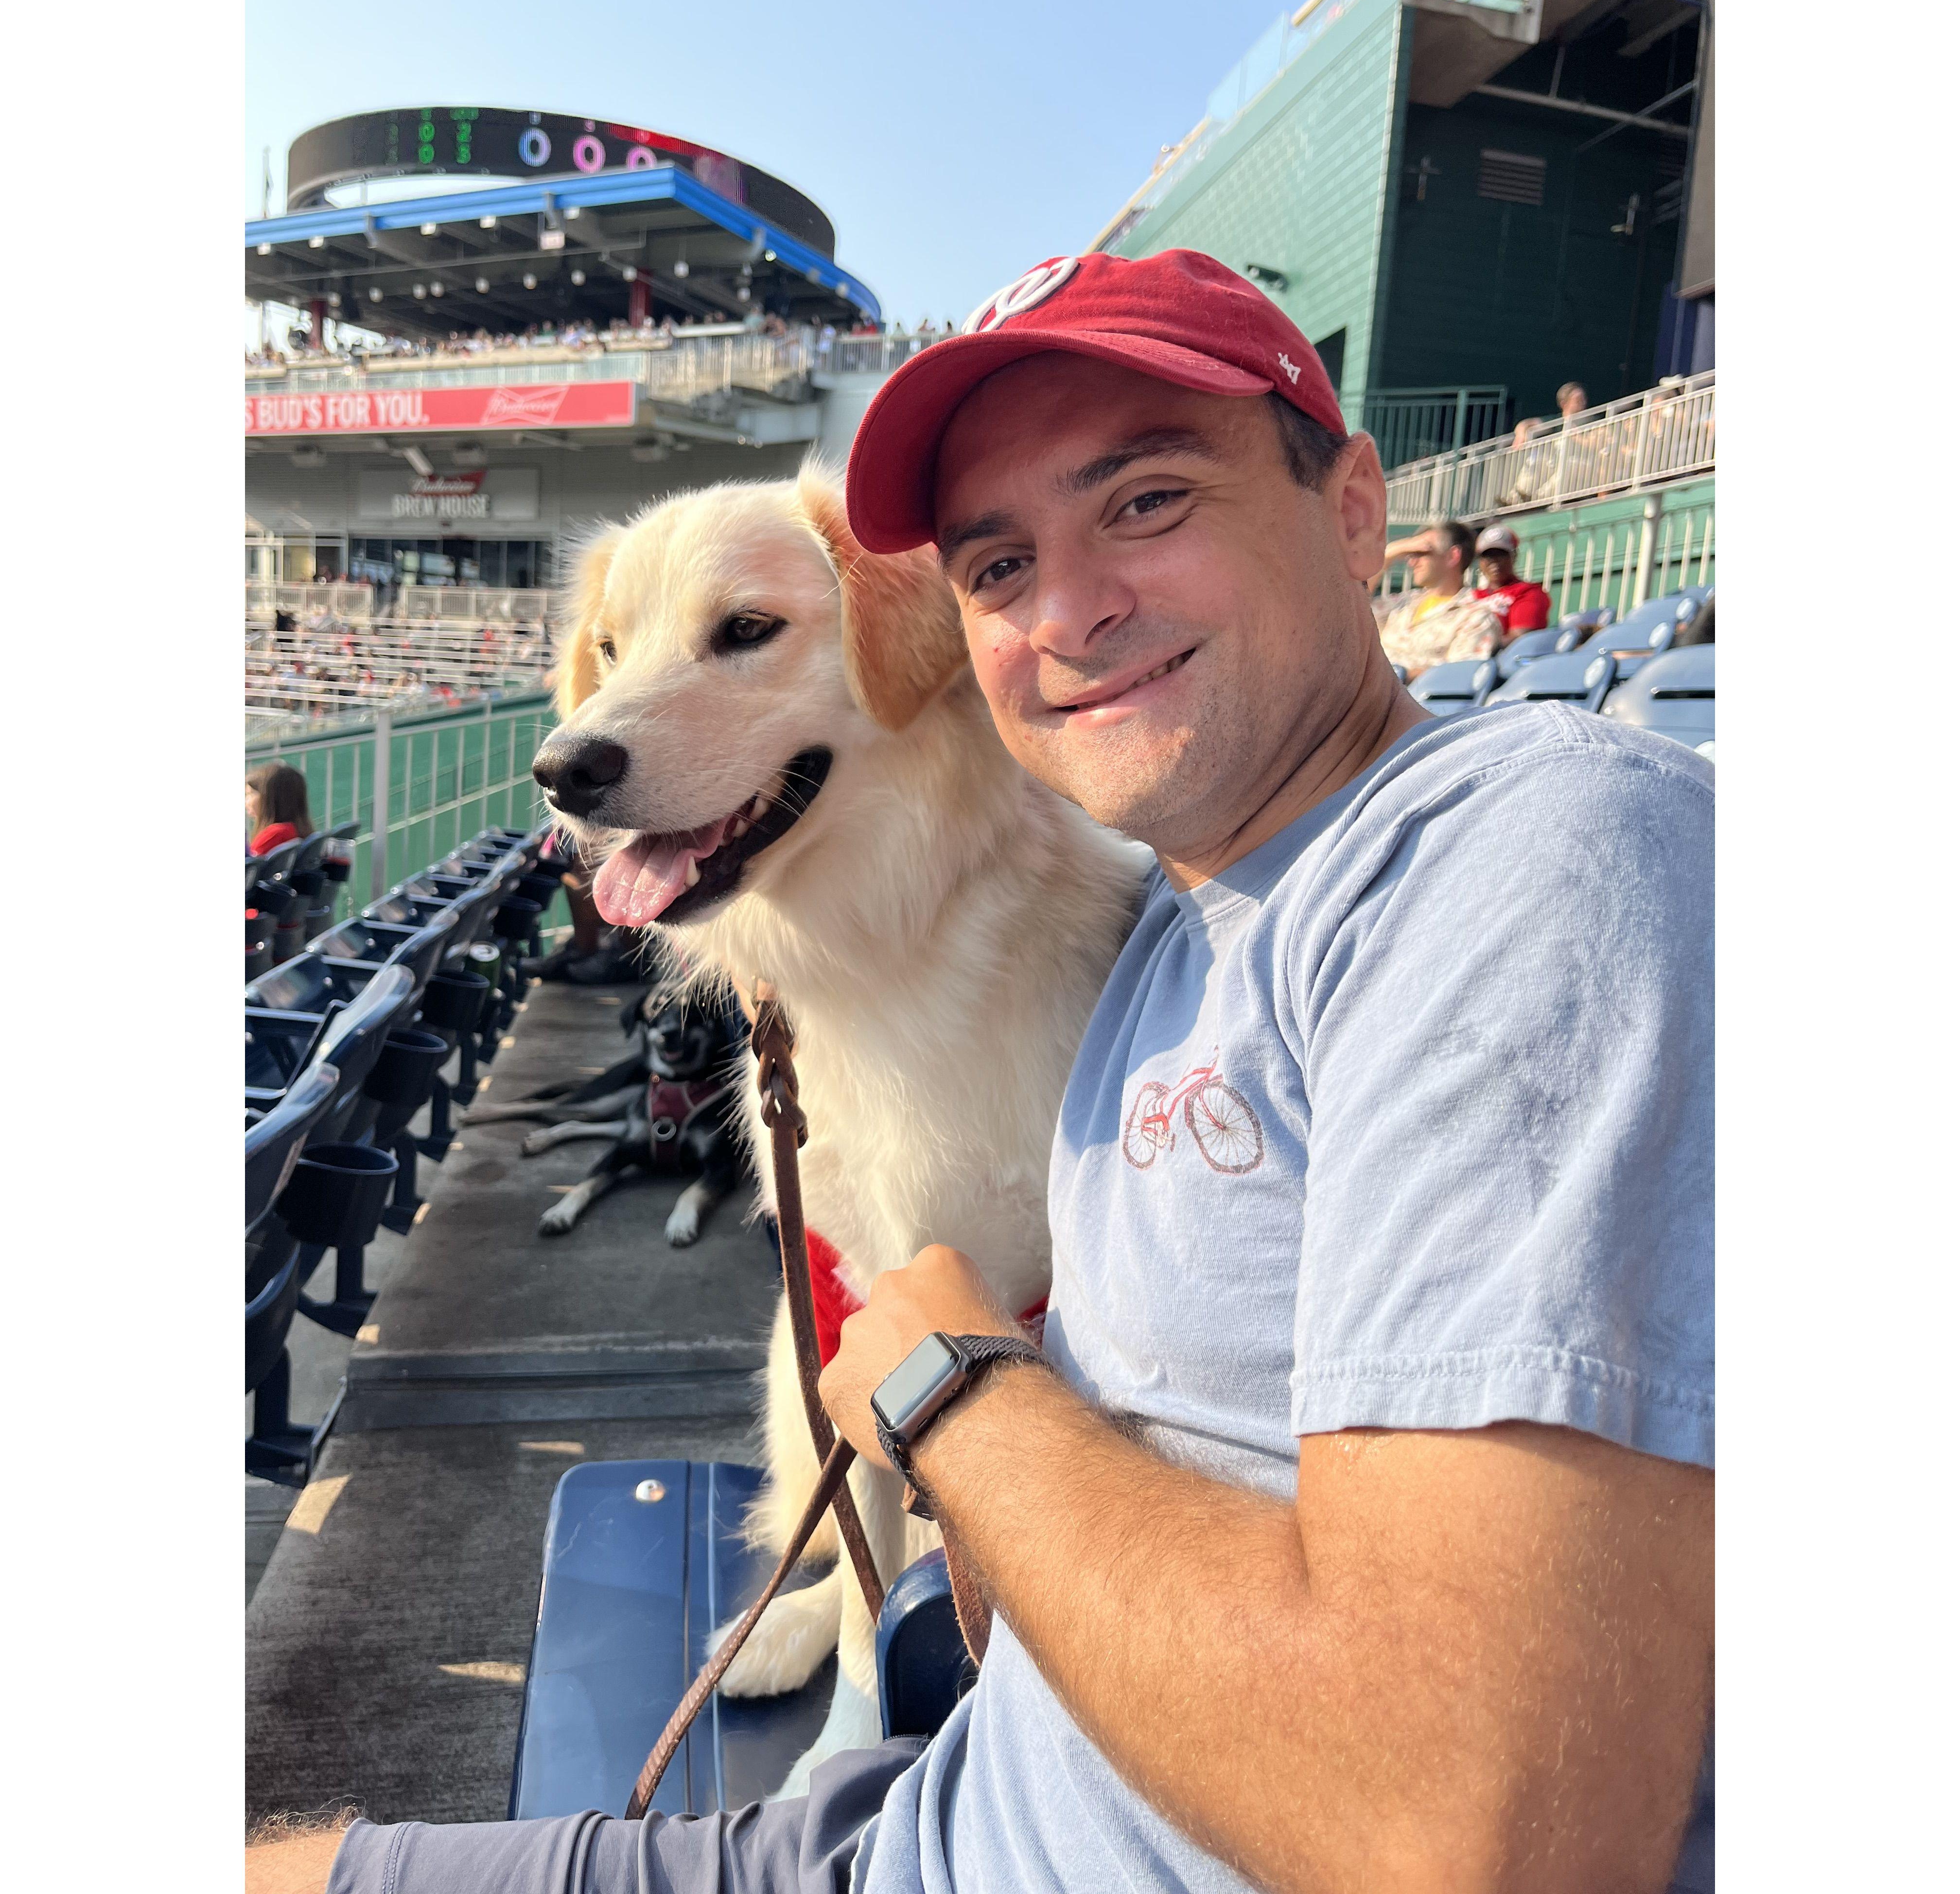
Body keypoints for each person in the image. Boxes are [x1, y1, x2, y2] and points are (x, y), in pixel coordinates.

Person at [255, 249, 1712, 1894]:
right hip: (960, 1777)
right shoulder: (1183, 913)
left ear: (1358, 510)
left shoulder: (1536, 853)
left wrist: (952, 1388)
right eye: (998, 560)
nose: (1065, 611)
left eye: (1149, 501)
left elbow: (1478, 1837)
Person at [1372, 519, 1504, 678]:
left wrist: (1388, 678)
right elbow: (1350, 605)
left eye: (1422, 553)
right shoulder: (1402, 604)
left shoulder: (1476, 617)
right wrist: (1390, 554)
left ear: (1453, 556)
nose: (1412, 562)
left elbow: (1456, 677)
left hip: (1412, 698)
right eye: (1411, 554)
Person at [1470, 524, 1551, 636]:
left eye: (1501, 555)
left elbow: (1519, 638)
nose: (1494, 561)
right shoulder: (1472, 597)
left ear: (1514, 556)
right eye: (1488, 556)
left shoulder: (1528, 592)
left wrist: (1479, 647)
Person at [245, 762, 313, 856]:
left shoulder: (274, 835)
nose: (246, 802)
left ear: (270, 798)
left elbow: (251, 868)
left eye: (250, 794)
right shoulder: (299, 831)